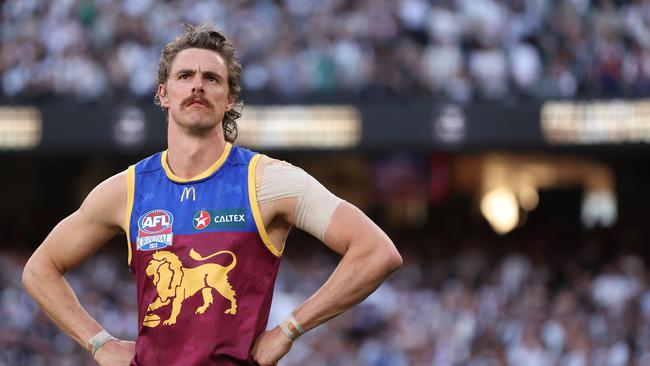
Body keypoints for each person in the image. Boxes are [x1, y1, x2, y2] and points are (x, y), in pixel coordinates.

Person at [22, 23, 402, 366]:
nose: (197, 85)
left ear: (231, 98)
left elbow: (376, 251)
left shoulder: (267, 181)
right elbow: (40, 270)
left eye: (211, 78)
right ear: (163, 94)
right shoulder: (128, 189)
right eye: (184, 76)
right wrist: (99, 343)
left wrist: (290, 329)